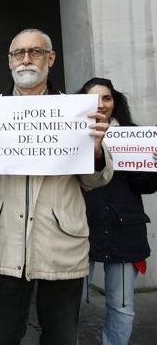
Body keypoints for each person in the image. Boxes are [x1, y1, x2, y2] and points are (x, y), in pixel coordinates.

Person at [0, 29, 113, 345]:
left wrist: (96, 151)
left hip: (62, 245)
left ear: (51, 58)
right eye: (19, 53)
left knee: (61, 337)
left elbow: (98, 180)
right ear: (9, 61)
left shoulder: (76, 111)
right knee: (1, 335)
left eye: (36, 51)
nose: (26, 59)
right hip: (6, 246)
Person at [78, 77, 157, 345]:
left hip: (124, 230)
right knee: (66, 305)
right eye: (94, 99)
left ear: (115, 102)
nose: (101, 105)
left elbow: (146, 186)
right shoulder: (69, 134)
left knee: (121, 307)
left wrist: (153, 166)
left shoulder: (134, 135)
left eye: (107, 98)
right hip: (79, 230)